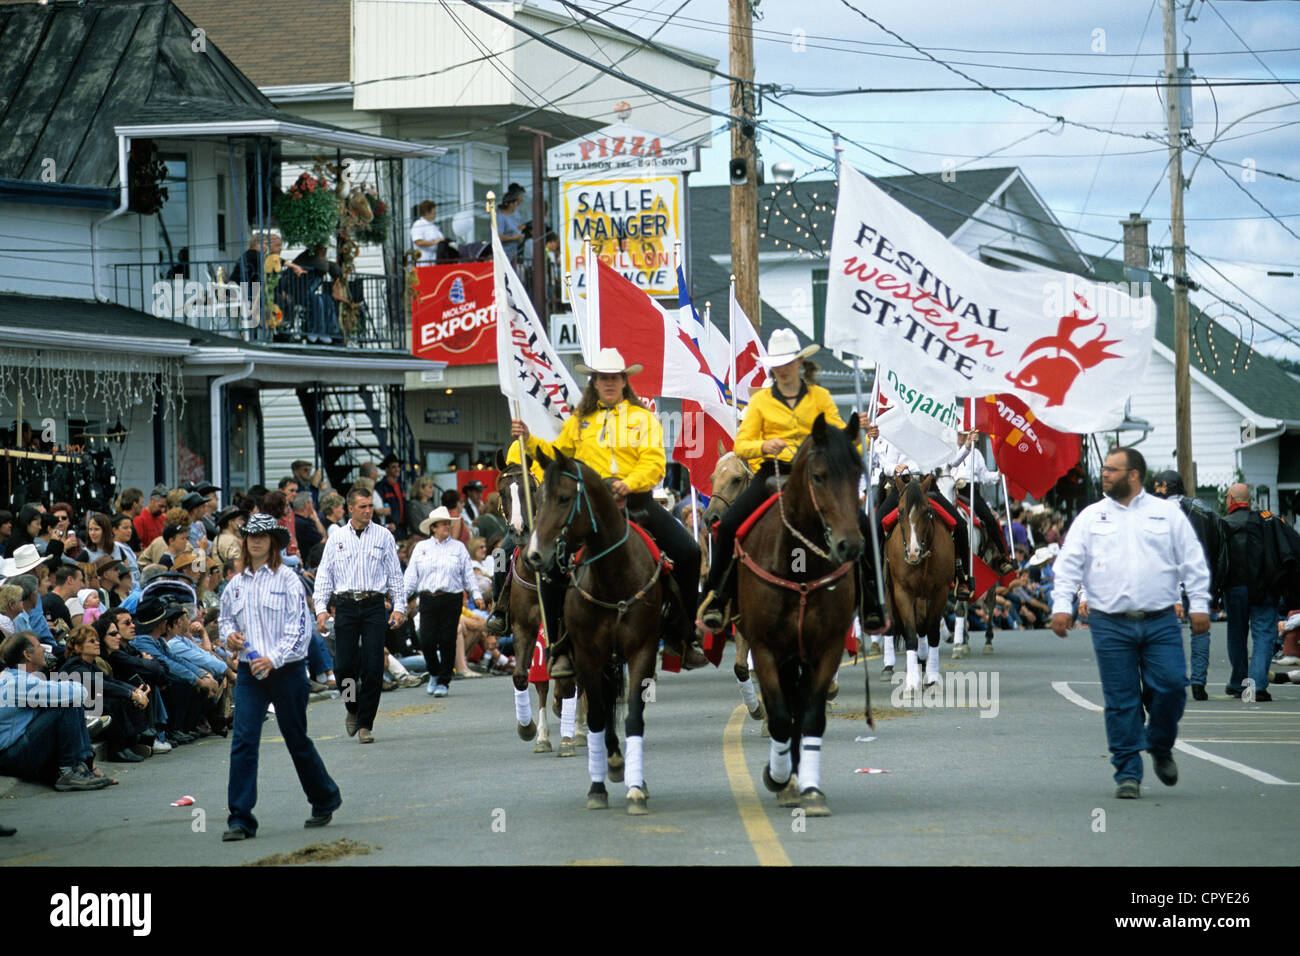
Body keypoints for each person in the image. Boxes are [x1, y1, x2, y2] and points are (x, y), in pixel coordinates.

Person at [510, 347, 707, 677]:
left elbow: (654, 461)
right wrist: (530, 441)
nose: (609, 382)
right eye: (603, 378)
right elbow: (559, 457)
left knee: (688, 552)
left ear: (624, 381)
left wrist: (629, 484)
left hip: (636, 503)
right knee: (553, 566)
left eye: (615, 377)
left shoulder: (643, 417)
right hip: (590, 509)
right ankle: (561, 648)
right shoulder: (579, 421)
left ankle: (683, 634)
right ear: (594, 383)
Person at [1050, 446, 1210, 799]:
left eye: (1112, 469)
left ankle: (1160, 744)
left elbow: (1192, 560)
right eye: (1105, 468)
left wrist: (1198, 604)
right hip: (1110, 623)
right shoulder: (1091, 517)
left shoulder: (1166, 514)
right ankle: (1127, 772)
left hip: (1161, 620)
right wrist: (1064, 605)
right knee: (1122, 700)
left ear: (1133, 475)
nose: (1104, 474)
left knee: (1170, 685)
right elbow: (1068, 564)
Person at [699, 329, 882, 630]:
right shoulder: (759, 403)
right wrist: (763, 445)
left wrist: (856, 435)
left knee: (863, 525)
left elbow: (839, 437)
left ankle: (872, 601)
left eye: (788, 362)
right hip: (773, 474)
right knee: (729, 525)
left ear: (800, 363)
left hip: (815, 477)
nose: (782, 369)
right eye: (777, 363)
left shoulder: (820, 397)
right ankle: (717, 597)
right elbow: (740, 446)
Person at [215, 512, 341, 840]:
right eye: (250, 536)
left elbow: (301, 628)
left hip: (286, 671)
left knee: (296, 738)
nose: (255, 541)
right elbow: (225, 622)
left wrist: (273, 659)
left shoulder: (288, 579)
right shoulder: (235, 584)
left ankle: (324, 797)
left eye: (262, 536)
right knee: (243, 740)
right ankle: (240, 818)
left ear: (273, 541)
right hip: (248, 672)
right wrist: (228, 637)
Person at [312, 488, 407, 744]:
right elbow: (324, 575)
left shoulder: (384, 536)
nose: (368, 511)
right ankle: (352, 707)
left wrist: (399, 606)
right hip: (345, 604)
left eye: (370, 506)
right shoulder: (336, 538)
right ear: (350, 508)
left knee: (374, 665)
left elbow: (395, 575)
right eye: (362, 506)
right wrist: (320, 608)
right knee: (344, 667)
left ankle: (366, 723)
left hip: (374, 604)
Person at [1150, 470, 1229, 700]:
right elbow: (1219, 549)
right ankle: (1198, 682)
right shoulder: (1204, 511)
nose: (1156, 490)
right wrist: (1216, 588)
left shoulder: (1158, 513)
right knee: (1200, 631)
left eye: (1159, 486)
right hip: (1199, 580)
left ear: (1166, 486)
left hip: (1168, 583)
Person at [0, 631, 110, 791]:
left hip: (12, 753)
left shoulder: (11, 677)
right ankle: (68, 770)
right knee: (67, 703)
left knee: (66, 700)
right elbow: (78, 692)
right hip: (9, 757)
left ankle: (82, 766)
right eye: (39, 646)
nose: (44, 650)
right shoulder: (18, 683)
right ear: (27, 655)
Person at [404, 507, 484, 697]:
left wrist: (477, 594)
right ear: (434, 528)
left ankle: (443, 680)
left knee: (448, 639)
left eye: (449, 523)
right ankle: (434, 672)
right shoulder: (421, 548)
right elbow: (411, 577)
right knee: (427, 640)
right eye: (444, 523)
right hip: (428, 597)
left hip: (451, 597)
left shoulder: (459, 548)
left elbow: (468, 575)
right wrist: (401, 600)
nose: (448, 526)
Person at [1221, 483, 1288, 702]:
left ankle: (1238, 682)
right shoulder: (1265, 520)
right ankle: (1257, 685)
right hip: (1263, 587)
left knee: (1237, 635)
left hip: (1235, 587)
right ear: (1249, 500)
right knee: (1263, 635)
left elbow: (1218, 559)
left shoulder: (1224, 524)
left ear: (1231, 498)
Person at [944, 430, 1017, 575]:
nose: (961, 437)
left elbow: (984, 476)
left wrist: (997, 475)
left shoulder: (976, 454)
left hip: (970, 491)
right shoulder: (948, 452)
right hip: (950, 490)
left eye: (964, 434)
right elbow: (950, 465)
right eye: (959, 434)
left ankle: (1002, 557)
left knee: (989, 519)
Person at [374, 454, 406, 534]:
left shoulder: (401, 485)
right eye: (393, 467)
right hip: (390, 527)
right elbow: (380, 507)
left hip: (402, 527)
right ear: (387, 469)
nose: (397, 469)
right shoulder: (380, 487)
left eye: (398, 466)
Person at [410, 200, 445, 264]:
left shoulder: (433, 226)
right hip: (424, 260)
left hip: (435, 260)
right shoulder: (418, 224)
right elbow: (418, 242)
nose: (435, 214)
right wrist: (434, 242)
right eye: (433, 212)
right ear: (427, 212)